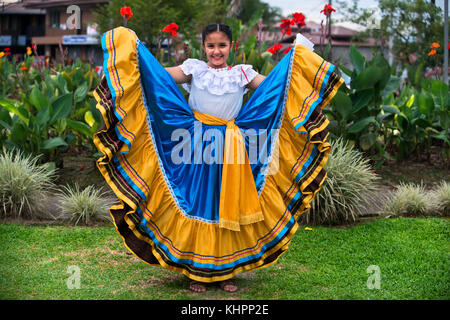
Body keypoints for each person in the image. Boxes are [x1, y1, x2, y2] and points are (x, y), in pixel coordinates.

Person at [93, 23, 343, 294]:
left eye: (221, 45)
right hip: (195, 143)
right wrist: (135, 52)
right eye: (211, 46)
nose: (216, 51)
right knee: (199, 203)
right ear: (204, 47)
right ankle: (198, 272)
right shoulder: (194, 69)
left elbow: (275, 87)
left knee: (227, 207)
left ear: (231, 46)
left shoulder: (242, 73)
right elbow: (159, 78)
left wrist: (296, 59)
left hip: (233, 146)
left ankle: (226, 272)